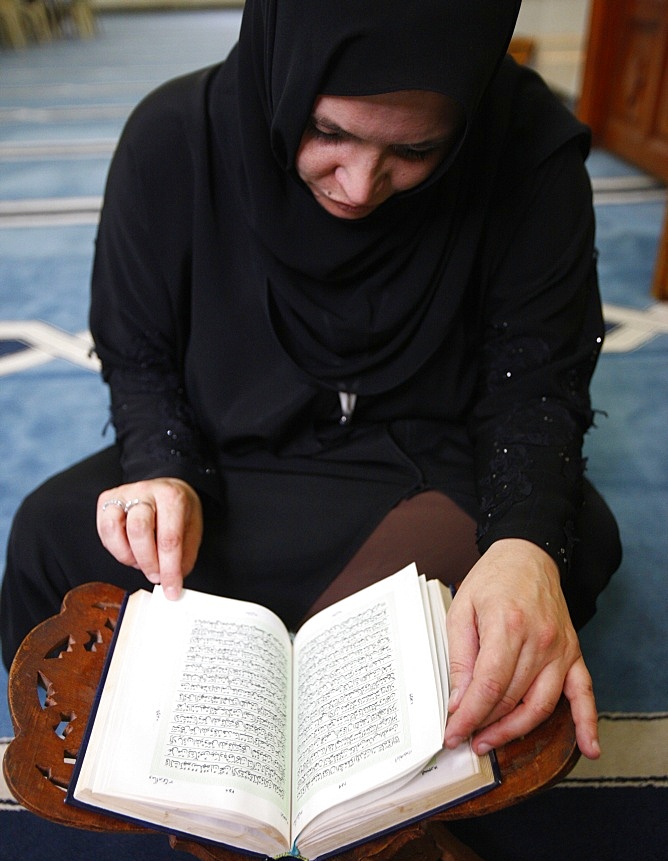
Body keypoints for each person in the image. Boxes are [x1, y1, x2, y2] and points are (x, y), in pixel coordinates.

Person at [1, 0, 621, 763]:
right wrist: (165, 472)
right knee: (50, 536)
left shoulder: (527, 151)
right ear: (281, 73)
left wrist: (524, 545)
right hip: (226, 467)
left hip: (429, 466)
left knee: (565, 545)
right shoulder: (174, 139)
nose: (360, 186)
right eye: (328, 132)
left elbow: (537, 384)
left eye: (417, 149)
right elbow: (140, 357)